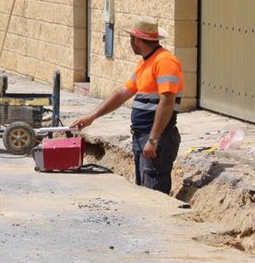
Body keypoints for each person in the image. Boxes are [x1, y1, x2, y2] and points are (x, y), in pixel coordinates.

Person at [70, 21, 183, 194]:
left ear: (137, 40)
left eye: (131, 38)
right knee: (144, 189)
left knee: (154, 192)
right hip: (142, 136)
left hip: (157, 137)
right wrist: (92, 117)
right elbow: (123, 92)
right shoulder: (145, 63)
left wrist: (153, 139)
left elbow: (166, 102)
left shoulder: (165, 61)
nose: (130, 42)